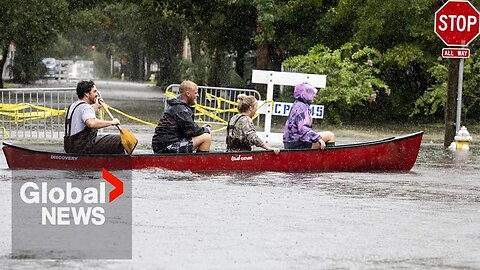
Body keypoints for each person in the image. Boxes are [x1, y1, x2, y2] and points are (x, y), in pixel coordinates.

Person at [64, 80, 124, 154]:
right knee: (120, 139)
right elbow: (91, 123)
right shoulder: (86, 107)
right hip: (82, 147)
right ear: (86, 93)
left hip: (70, 146)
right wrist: (112, 122)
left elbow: (86, 114)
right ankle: (120, 162)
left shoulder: (74, 105)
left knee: (101, 137)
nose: (97, 94)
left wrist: (96, 106)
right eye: (94, 91)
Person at [152, 80, 211, 154]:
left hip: (163, 145)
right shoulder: (180, 109)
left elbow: (189, 130)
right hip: (167, 146)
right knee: (206, 137)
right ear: (188, 94)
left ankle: (193, 162)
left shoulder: (179, 106)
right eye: (195, 93)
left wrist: (202, 129)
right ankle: (200, 164)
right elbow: (193, 131)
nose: (198, 95)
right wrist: (206, 130)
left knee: (202, 135)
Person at [283, 82, 335, 150]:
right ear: (305, 94)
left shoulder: (297, 104)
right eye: (311, 93)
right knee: (330, 135)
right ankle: (329, 158)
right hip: (297, 143)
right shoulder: (302, 107)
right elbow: (303, 128)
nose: (314, 96)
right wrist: (318, 138)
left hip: (290, 142)